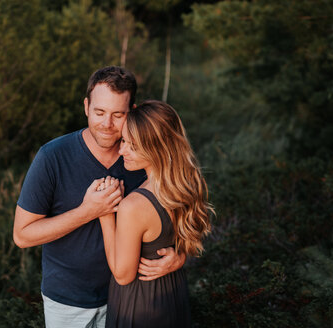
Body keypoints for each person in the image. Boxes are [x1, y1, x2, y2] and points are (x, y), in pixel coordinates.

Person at [13, 67, 185, 328]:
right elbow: (22, 235)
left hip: (127, 301)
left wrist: (181, 257)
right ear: (86, 107)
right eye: (99, 112)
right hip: (67, 303)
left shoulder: (141, 159)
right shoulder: (52, 157)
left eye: (118, 115)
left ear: (132, 112)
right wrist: (88, 211)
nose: (107, 124)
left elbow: (183, 216)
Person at [97, 100, 214, 328]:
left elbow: (123, 275)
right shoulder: (186, 184)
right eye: (123, 141)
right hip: (172, 294)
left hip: (140, 306)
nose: (121, 151)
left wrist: (104, 214)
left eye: (132, 145)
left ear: (156, 148)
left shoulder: (134, 206)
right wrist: (180, 258)